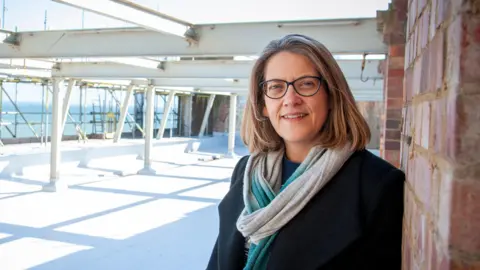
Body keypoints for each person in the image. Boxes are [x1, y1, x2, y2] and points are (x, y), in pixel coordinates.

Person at [206, 34, 405, 270]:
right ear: (263, 105)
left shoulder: (376, 185)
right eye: (276, 87)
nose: (291, 99)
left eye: (306, 84)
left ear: (332, 95)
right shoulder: (247, 170)